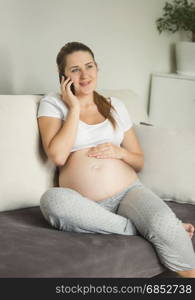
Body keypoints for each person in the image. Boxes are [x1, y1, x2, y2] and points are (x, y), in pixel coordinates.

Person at [37, 41, 195, 277]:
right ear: (64, 77)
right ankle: (142, 228)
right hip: (83, 203)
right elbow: (58, 156)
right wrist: (74, 109)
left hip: (129, 192)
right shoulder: (53, 104)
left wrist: (120, 152)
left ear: (97, 68)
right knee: (52, 201)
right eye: (75, 69)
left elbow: (139, 161)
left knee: (162, 221)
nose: (84, 74)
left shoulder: (115, 106)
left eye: (89, 66)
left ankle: (160, 230)